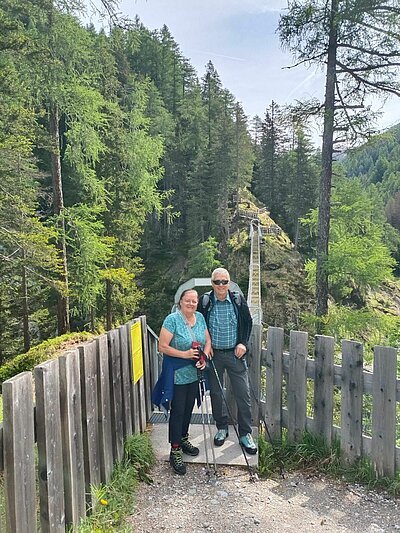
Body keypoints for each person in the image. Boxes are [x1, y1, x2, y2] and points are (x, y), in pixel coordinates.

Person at [152, 289, 211, 475]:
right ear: (181, 302)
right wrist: (184, 354)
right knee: (178, 411)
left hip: (194, 373)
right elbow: (162, 346)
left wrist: (204, 357)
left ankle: (183, 438)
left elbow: (207, 340)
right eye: (188, 300)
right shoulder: (172, 320)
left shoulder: (200, 317)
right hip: (177, 373)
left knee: (188, 409)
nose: (191, 304)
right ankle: (175, 448)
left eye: (194, 301)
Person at [198, 267, 257, 454]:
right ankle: (222, 427)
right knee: (216, 394)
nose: (221, 285)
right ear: (212, 283)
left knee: (243, 394)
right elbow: (198, 324)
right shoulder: (205, 302)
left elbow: (248, 323)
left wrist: (243, 343)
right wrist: (205, 348)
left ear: (229, 283)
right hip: (214, 355)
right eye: (217, 282)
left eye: (224, 282)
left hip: (235, 354)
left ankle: (245, 433)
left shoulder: (238, 300)